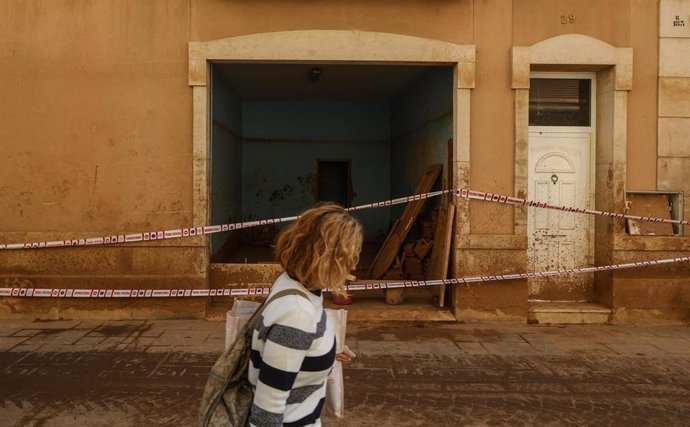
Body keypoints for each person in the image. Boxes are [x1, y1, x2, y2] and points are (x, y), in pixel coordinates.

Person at [248, 202, 362, 426]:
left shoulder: (293, 283)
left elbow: (296, 349)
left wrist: (327, 350)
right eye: (348, 257)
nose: (353, 267)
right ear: (327, 259)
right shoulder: (297, 314)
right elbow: (266, 413)